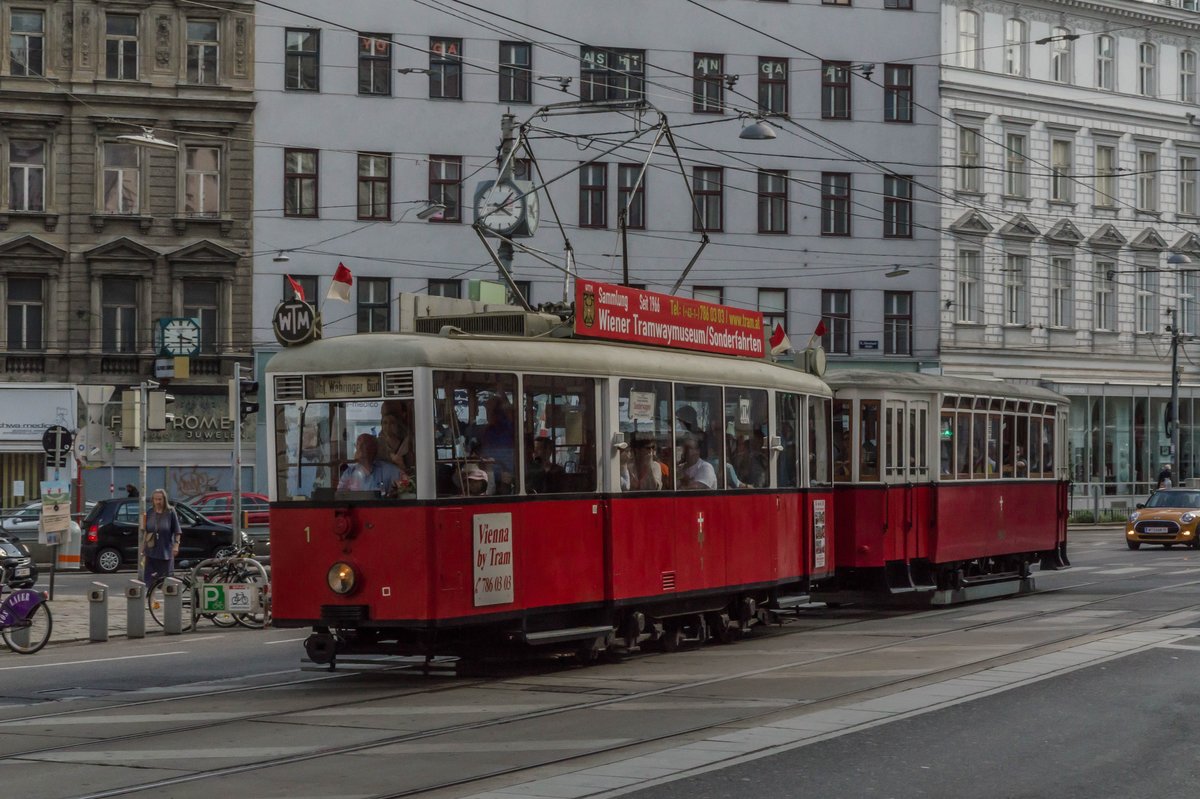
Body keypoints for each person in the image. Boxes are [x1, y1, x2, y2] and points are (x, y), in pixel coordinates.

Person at [338, 433, 402, 495]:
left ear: (373, 449)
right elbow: (340, 496)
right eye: (357, 444)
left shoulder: (388, 470)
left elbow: (406, 486)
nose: (359, 448)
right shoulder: (349, 472)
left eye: (363, 445)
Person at [143, 488, 181, 587]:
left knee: (166, 581)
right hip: (151, 551)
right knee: (150, 581)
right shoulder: (150, 512)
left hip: (165, 551)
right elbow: (146, 531)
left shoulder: (170, 511)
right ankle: (152, 600)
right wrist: (143, 548)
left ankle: (167, 600)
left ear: (164, 499)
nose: (158, 502)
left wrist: (176, 545)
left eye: (160, 499)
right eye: (155, 499)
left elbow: (177, 531)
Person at [378, 402, 413, 473]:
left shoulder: (408, 443)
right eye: (385, 423)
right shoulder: (377, 444)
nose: (388, 427)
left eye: (392, 423)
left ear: (398, 425)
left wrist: (401, 464)